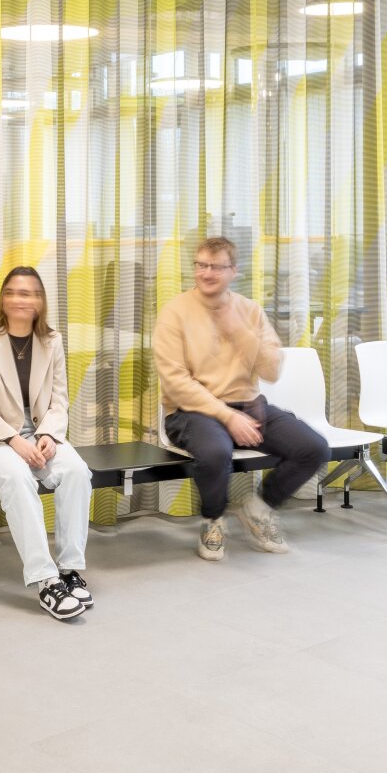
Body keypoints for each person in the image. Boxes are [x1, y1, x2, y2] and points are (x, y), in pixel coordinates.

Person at [152, 235, 328, 560]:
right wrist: (226, 416)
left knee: (313, 448)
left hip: (248, 405)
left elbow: (272, 370)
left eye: (216, 267)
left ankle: (258, 509)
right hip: (191, 411)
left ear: (233, 271)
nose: (206, 273)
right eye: (201, 265)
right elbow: (176, 382)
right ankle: (213, 519)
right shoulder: (175, 312)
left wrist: (239, 331)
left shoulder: (249, 311)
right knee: (216, 452)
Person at [0, 267, 94, 622]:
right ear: (3, 298)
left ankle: (69, 570)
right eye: (14, 292)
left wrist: (48, 434)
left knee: (77, 471)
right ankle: (46, 581)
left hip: (41, 436)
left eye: (29, 293)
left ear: (40, 301)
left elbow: (59, 402)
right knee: (18, 477)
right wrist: (14, 440)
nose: (21, 300)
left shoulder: (52, 341)